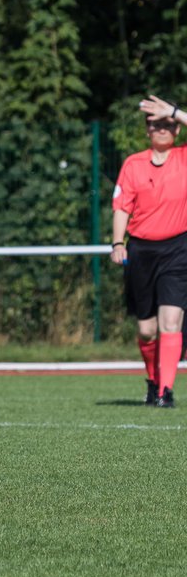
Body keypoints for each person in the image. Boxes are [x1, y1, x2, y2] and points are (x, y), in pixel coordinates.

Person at [112, 95, 187, 408]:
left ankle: (165, 392)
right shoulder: (133, 164)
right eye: (154, 124)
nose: (161, 129)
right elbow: (120, 207)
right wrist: (118, 243)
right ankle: (153, 380)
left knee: (171, 321)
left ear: (177, 129)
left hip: (178, 249)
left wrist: (173, 111)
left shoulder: (184, 158)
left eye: (168, 124)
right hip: (141, 250)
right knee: (147, 330)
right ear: (146, 130)